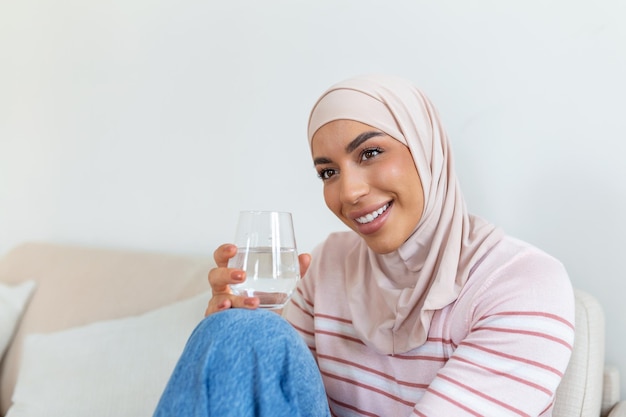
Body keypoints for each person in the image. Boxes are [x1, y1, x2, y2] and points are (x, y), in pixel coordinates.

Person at [154, 75, 575, 417]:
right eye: (328, 172)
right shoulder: (327, 265)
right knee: (242, 331)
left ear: (427, 151)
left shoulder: (521, 283)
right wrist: (242, 340)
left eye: (371, 152)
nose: (349, 191)